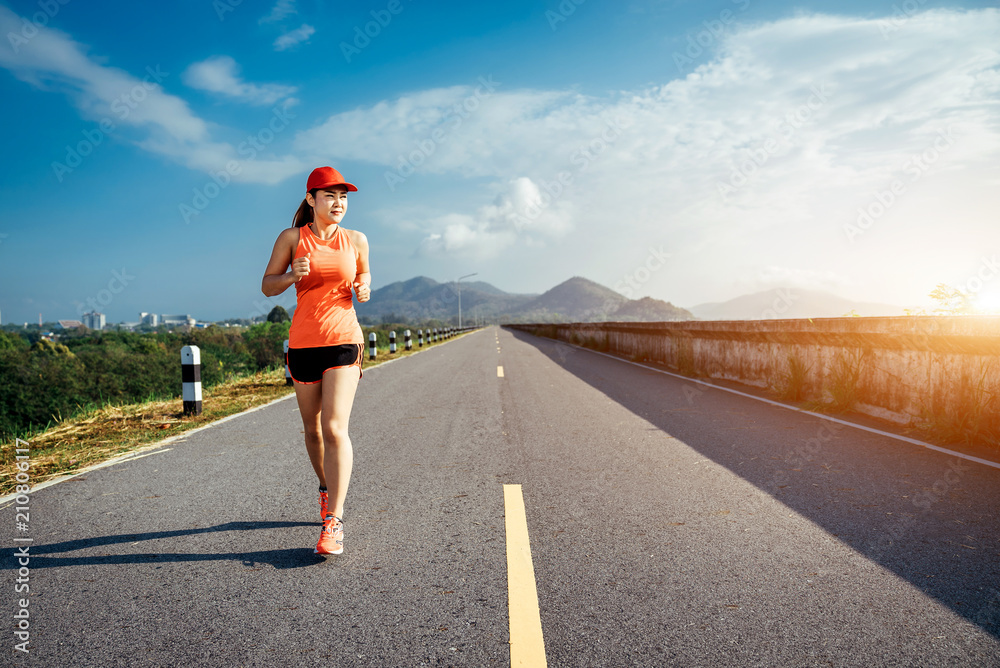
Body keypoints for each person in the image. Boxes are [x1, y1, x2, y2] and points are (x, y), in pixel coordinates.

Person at [261, 166, 371, 556]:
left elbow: (364, 277)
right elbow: (267, 286)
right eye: (330, 196)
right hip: (304, 345)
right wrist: (292, 275)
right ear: (311, 200)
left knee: (335, 426)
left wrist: (364, 285)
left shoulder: (356, 239)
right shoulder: (292, 238)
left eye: (343, 197)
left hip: (344, 341)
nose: (339, 203)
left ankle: (334, 521)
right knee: (313, 431)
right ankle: (326, 489)